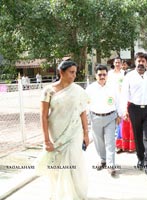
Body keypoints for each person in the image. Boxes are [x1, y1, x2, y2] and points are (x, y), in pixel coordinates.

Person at [36, 60, 89, 199]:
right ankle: (59, 194)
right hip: (56, 132)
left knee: (74, 161)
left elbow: (82, 111)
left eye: (75, 73)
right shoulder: (48, 91)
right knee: (57, 165)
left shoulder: (78, 90)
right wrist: (46, 140)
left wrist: (86, 133)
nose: (74, 76)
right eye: (71, 72)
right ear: (61, 72)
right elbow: (43, 116)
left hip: (74, 132)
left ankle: (75, 194)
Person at [121, 52, 147, 181]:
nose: (141, 63)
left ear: (146, 62)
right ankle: (140, 158)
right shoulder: (129, 76)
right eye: (138, 61)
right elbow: (124, 93)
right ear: (135, 62)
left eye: (143, 61)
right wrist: (124, 110)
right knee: (138, 136)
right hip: (134, 109)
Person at [86, 64, 121, 176]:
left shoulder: (113, 87)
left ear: (107, 75)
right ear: (95, 75)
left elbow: (118, 102)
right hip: (95, 118)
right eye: (99, 74)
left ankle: (110, 165)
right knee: (98, 142)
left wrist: (119, 115)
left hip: (110, 117)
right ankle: (103, 160)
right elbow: (85, 104)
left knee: (110, 142)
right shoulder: (90, 88)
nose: (102, 76)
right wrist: (87, 117)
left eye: (104, 74)